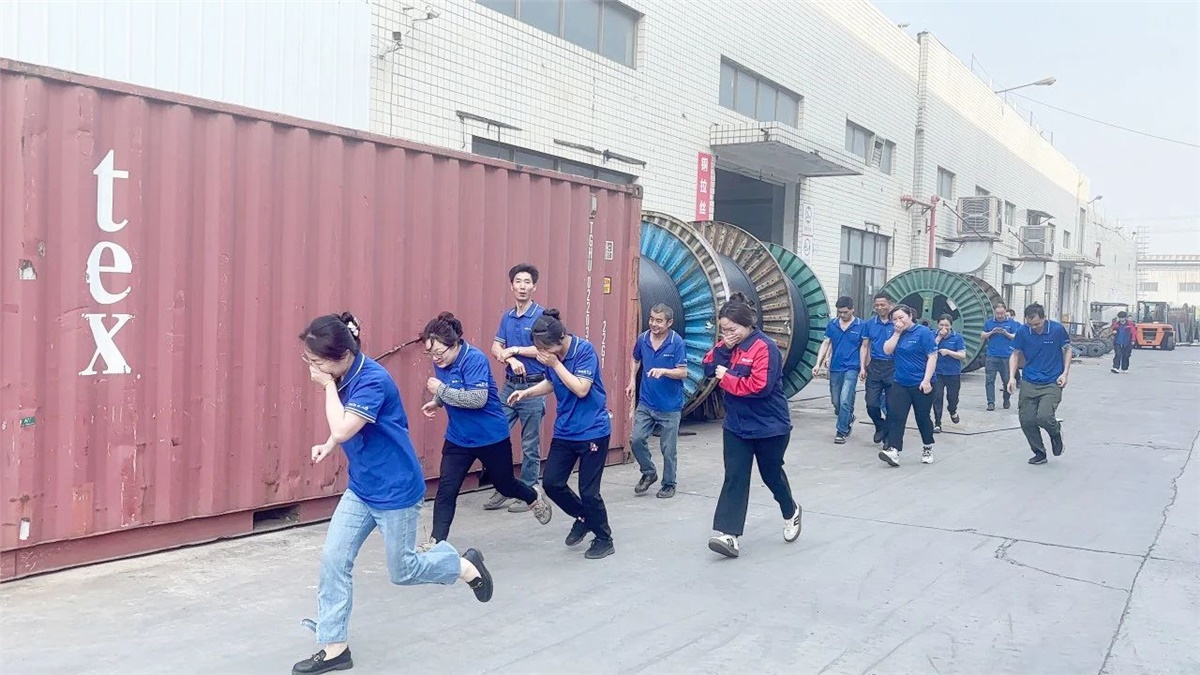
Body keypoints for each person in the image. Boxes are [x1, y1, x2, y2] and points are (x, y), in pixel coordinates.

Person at [295, 313, 493, 675]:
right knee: (334, 559)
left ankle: (463, 566)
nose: (312, 368)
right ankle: (335, 647)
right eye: (308, 360)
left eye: (317, 362)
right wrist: (328, 444)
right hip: (362, 487)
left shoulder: (372, 380)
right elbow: (344, 428)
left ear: (343, 355)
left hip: (396, 490)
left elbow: (343, 425)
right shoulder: (343, 374)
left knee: (403, 571)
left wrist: (325, 388)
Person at [417, 312, 553, 550]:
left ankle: (532, 496)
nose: (436, 358)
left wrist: (440, 391)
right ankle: (436, 543)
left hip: (490, 436)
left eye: (439, 353)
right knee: (446, 490)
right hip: (459, 438)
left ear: (454, 344)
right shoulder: (441, 361)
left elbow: (477, 399)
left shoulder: (475, 359)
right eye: (431, 353)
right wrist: (437, 402)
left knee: (505, 485)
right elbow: (451, 388)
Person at [506, 309, 616, 560]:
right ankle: (584, 517)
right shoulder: (551, 358)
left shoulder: (584, 351)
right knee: (552, 483)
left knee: (589, 491)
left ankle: (604, 538)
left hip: (592, 431)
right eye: (539, 350)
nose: (542, 354)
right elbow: (552, 382)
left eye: (546, 349)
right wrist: (527, 392)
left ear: (561, 339)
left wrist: (555, 363)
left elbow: (581, 389)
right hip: (565, 430)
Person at [703, 293, 802, 559]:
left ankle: (790, 510)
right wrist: (723, 349)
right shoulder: (728, 346)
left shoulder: (765, 348)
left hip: (770, 426)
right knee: (735, 476)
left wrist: (727, 377)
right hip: (736, 426)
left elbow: (760, 387)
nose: (728, 334)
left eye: (732, 329)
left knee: (771, 475)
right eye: (724, 330)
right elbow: (708, 368)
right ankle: (728, 535)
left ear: (747, 324)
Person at [488, 263, 547, 513]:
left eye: (527, 282)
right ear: (512, 286)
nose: (522, 287)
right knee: (494, 433)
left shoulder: (541, 317)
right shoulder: (507, 317)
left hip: (533, 387)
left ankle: (529, 491)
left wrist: (514, 350)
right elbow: (495, 347)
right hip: (510, 385)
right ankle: (505, 486)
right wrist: (510, 359)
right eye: (518, 282)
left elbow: (545, 349)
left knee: (529, 443)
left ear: (534, 287)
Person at [626, 303, 689, 499]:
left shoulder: (676, 342)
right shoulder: (643, 339)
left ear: (669, 323)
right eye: (652, 319)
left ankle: (669, 484)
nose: (654, 324)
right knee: (636, 439)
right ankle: (648, 472)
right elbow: (635, 359)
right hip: (646, 402)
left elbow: (683, 372)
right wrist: (632, 381)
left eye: (659, 321)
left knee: (668, 449)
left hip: (670, 406)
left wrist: (665, 371)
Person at [1009, 303, 1071, 465]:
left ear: (1044, 318)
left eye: (1037, 324)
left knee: (1044, 417)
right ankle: (1039, 452)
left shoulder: (1057, 330)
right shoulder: (1023, 331)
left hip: (1052, 381)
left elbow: (1068, 349)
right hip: (1029, 381)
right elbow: (1015, 354)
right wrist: (1011, 377)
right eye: (1031, 324)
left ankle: (1055, 433)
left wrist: (1065, 373)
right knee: (1027, 420)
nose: (1034, 328)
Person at [877, 305, 938, 466]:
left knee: (922, 417)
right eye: (894, 319)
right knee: (896, 416)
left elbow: (932, 356)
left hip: (921, 383)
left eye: (901, 317)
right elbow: (887, 350)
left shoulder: (923, 333)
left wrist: (926, 380)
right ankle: (894, 450)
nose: (898, 321)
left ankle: (927, 446)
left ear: (910, 316)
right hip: (900, 382)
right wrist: (897, 333)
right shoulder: (895, 333)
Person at [815, 295, 864, 444]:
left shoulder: (861, 325)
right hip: (835, 367)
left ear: (852, 309)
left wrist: (863, 367)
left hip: (852, 367)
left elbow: (865, 347)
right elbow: (826, 343)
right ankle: (848, 417)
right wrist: (818, 364)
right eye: (840, 312)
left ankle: (841, 431)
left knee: (844, 400)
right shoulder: (833, 324)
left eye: (845, 312)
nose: (842, 315)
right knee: (836, 401)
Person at [860, 293, 896, 447]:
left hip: (893, 366)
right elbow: (865, 346)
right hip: (875, 366)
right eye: (877, 305)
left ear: (890, 305)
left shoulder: (897, 323)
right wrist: (863, 367)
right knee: (871, 404)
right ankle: (880, 425)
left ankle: (888, 438)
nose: (880, 308)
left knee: (891, 405)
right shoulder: (869, 324)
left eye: (883, 305)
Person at [981, 303, 1021, 411]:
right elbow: (982, 335)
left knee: (1007, 380)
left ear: (1005, 312)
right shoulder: (989, 322)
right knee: (989, 380)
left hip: (1007, 357)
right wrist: (991, 332)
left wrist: (1006, 333)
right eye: (997, 313)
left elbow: (1015, 337)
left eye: (1002, 313)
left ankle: (1006, 399)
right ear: (994, 312)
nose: (1000, 316)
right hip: (992, 356)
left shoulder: (1011, 323)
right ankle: (990, 403)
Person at [931, 314, 966, 433]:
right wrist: (939, 338)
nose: (944, 327)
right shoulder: (932, 335)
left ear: (951, 325)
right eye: (941, 325)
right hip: (937, 372)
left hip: (953, 372)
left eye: (946, 325)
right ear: (937, 325)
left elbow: (962, 355)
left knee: (953, 397)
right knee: (937, 396)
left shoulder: (957, 337)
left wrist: (949, 352)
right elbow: (929, 349)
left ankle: (952, 410)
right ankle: (937, 423)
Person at [1007, 307, 1023, 386]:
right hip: (1007, 347)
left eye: (1008, 315)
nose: (1006, 317)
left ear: (1013, 316)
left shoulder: (1018, 325)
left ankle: (1018, 379)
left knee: (1014, 365)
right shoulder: (1005, 324)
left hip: (1015, 347)